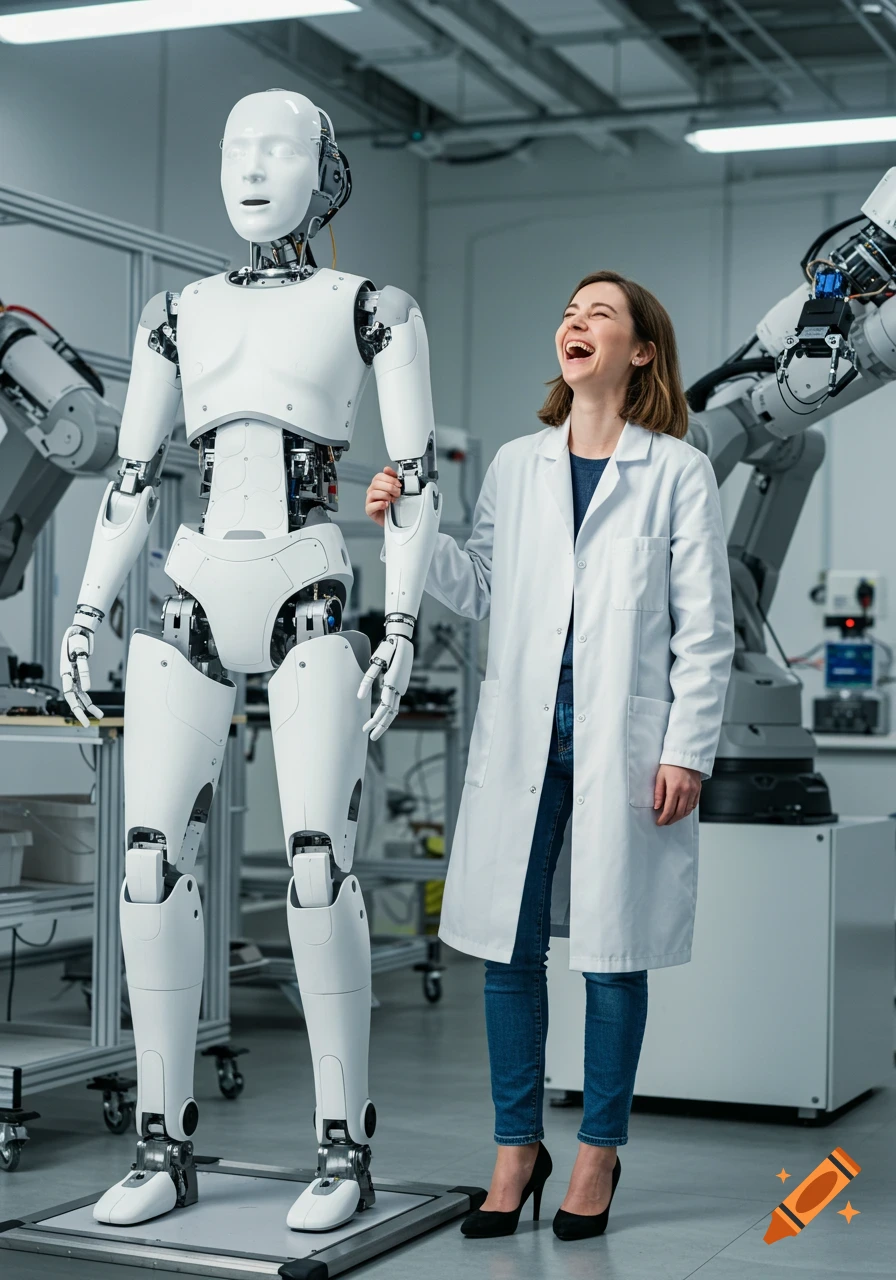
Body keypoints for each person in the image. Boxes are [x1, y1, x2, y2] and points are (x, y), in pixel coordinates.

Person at [366, 270, 735, 1242]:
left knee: (611, 954)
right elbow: (480, 584)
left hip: (624, 738)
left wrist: (685, 749)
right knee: (507, 949)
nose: (574, 321)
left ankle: (596, 1150)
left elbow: (704, 630)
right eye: (567, 310)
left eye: (598, 313)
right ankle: (512, 1148)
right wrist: (408, 520)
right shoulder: (516, 467)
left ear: (639, 350)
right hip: (522, 736)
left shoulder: (676, 470)